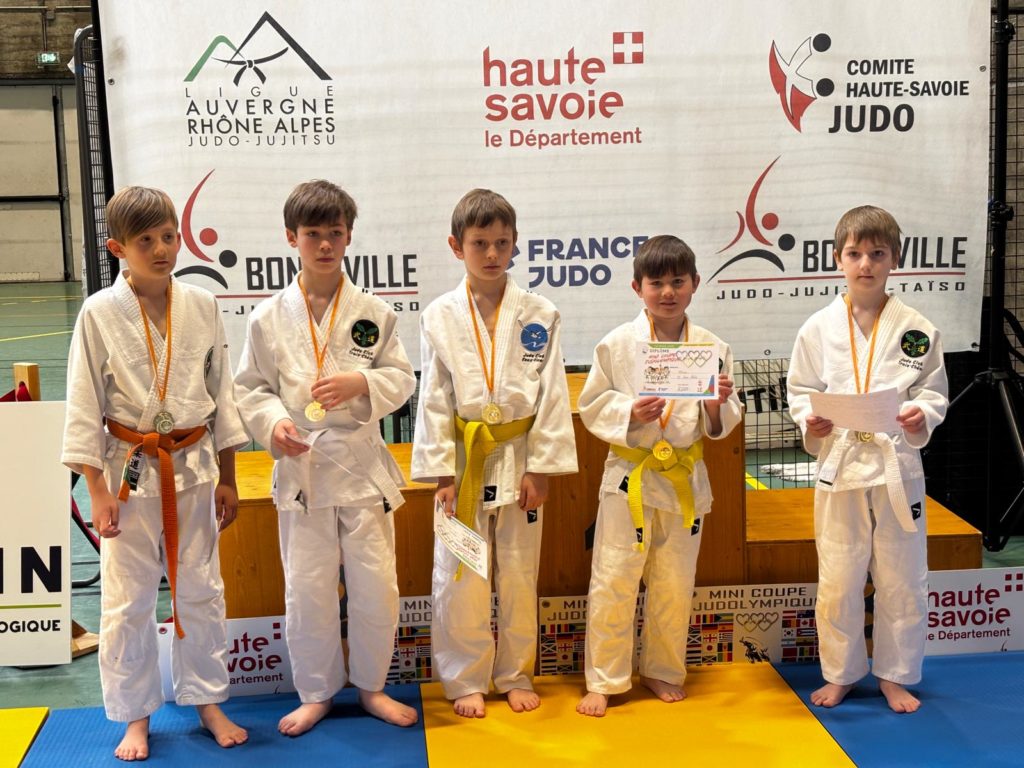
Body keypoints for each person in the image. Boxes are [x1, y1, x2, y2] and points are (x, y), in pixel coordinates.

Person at [62, 186, 249, 760]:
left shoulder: (202, 304)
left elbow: (221, 393)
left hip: (194, 467)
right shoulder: (99, 312)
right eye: (146, 241)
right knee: (127, 600)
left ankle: (207, 701)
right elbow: (84, 403)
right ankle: (135, 715)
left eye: (169, 236)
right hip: (127, 472)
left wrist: (228, 474)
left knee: (202, 590)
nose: (163, 249)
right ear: (118, 247)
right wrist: (96, 490)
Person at [233, 180, 418, 735]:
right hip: (302, 468)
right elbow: (251, 388)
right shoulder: (268, 317)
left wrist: (362, 382)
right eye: (312, 233)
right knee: (307, 587)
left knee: (376, 585)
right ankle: (315, 692)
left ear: (349, 236)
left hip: (360, 466)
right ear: (291, 237)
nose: (324, 244)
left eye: (334, 233)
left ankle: (372, 687)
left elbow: (401, 377)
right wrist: (274, 424)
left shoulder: (373, 312)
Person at [412, 188, 577, 718]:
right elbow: (433, 397)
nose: (491, 254)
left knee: (520, 571)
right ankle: (465, 677)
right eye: (479, 243)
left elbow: (553, 393)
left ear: (515, 243)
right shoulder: (439, 315)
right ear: (456, 246)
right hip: (463, 462)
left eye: (502, 243)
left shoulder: (541, 313)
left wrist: (542, 468)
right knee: (460, 572)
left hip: (519, 453)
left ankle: (514, 673)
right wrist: (441, 473)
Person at [787, 205, 948, 714]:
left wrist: (922, 415)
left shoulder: (917, 328)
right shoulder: (818, 328)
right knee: (839, 576)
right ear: (838, 259)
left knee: (903, 575)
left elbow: (932, 391)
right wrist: (809, 420)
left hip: (896, 465)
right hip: (840, 464)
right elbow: (801, 389)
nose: (866, 264)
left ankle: (895, 675)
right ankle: (840, 673)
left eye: (877, 254)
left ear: (894, 259)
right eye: (855, 253)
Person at [575, 234, 742, 718]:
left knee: (675, 580)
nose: (667, 292)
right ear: (637, 287)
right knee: (614, 577)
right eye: (656, 283)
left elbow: (721, 421)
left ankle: (663, 669)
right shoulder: (616, 344)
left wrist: (716, 405)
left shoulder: (712, 347)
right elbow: (592, 404)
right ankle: (604, 679)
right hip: (630, 474)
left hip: (684, 477)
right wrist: (629, 411)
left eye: (677, 282)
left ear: (694, 284)